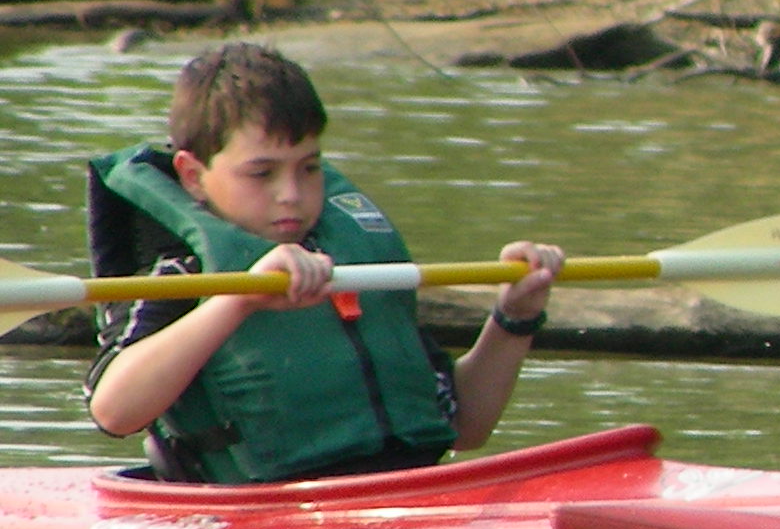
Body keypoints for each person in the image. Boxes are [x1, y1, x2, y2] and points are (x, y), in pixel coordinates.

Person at [84, 43, 566, 485]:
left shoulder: (352, 261)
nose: (291, 194)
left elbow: (466, 428)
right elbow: (113, 411)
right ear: (192, 176)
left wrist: (514, 318)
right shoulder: (184, 275)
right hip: (260, 515)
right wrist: (237, 300)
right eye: (262, 173)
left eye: (309, 168)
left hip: (405, 493)